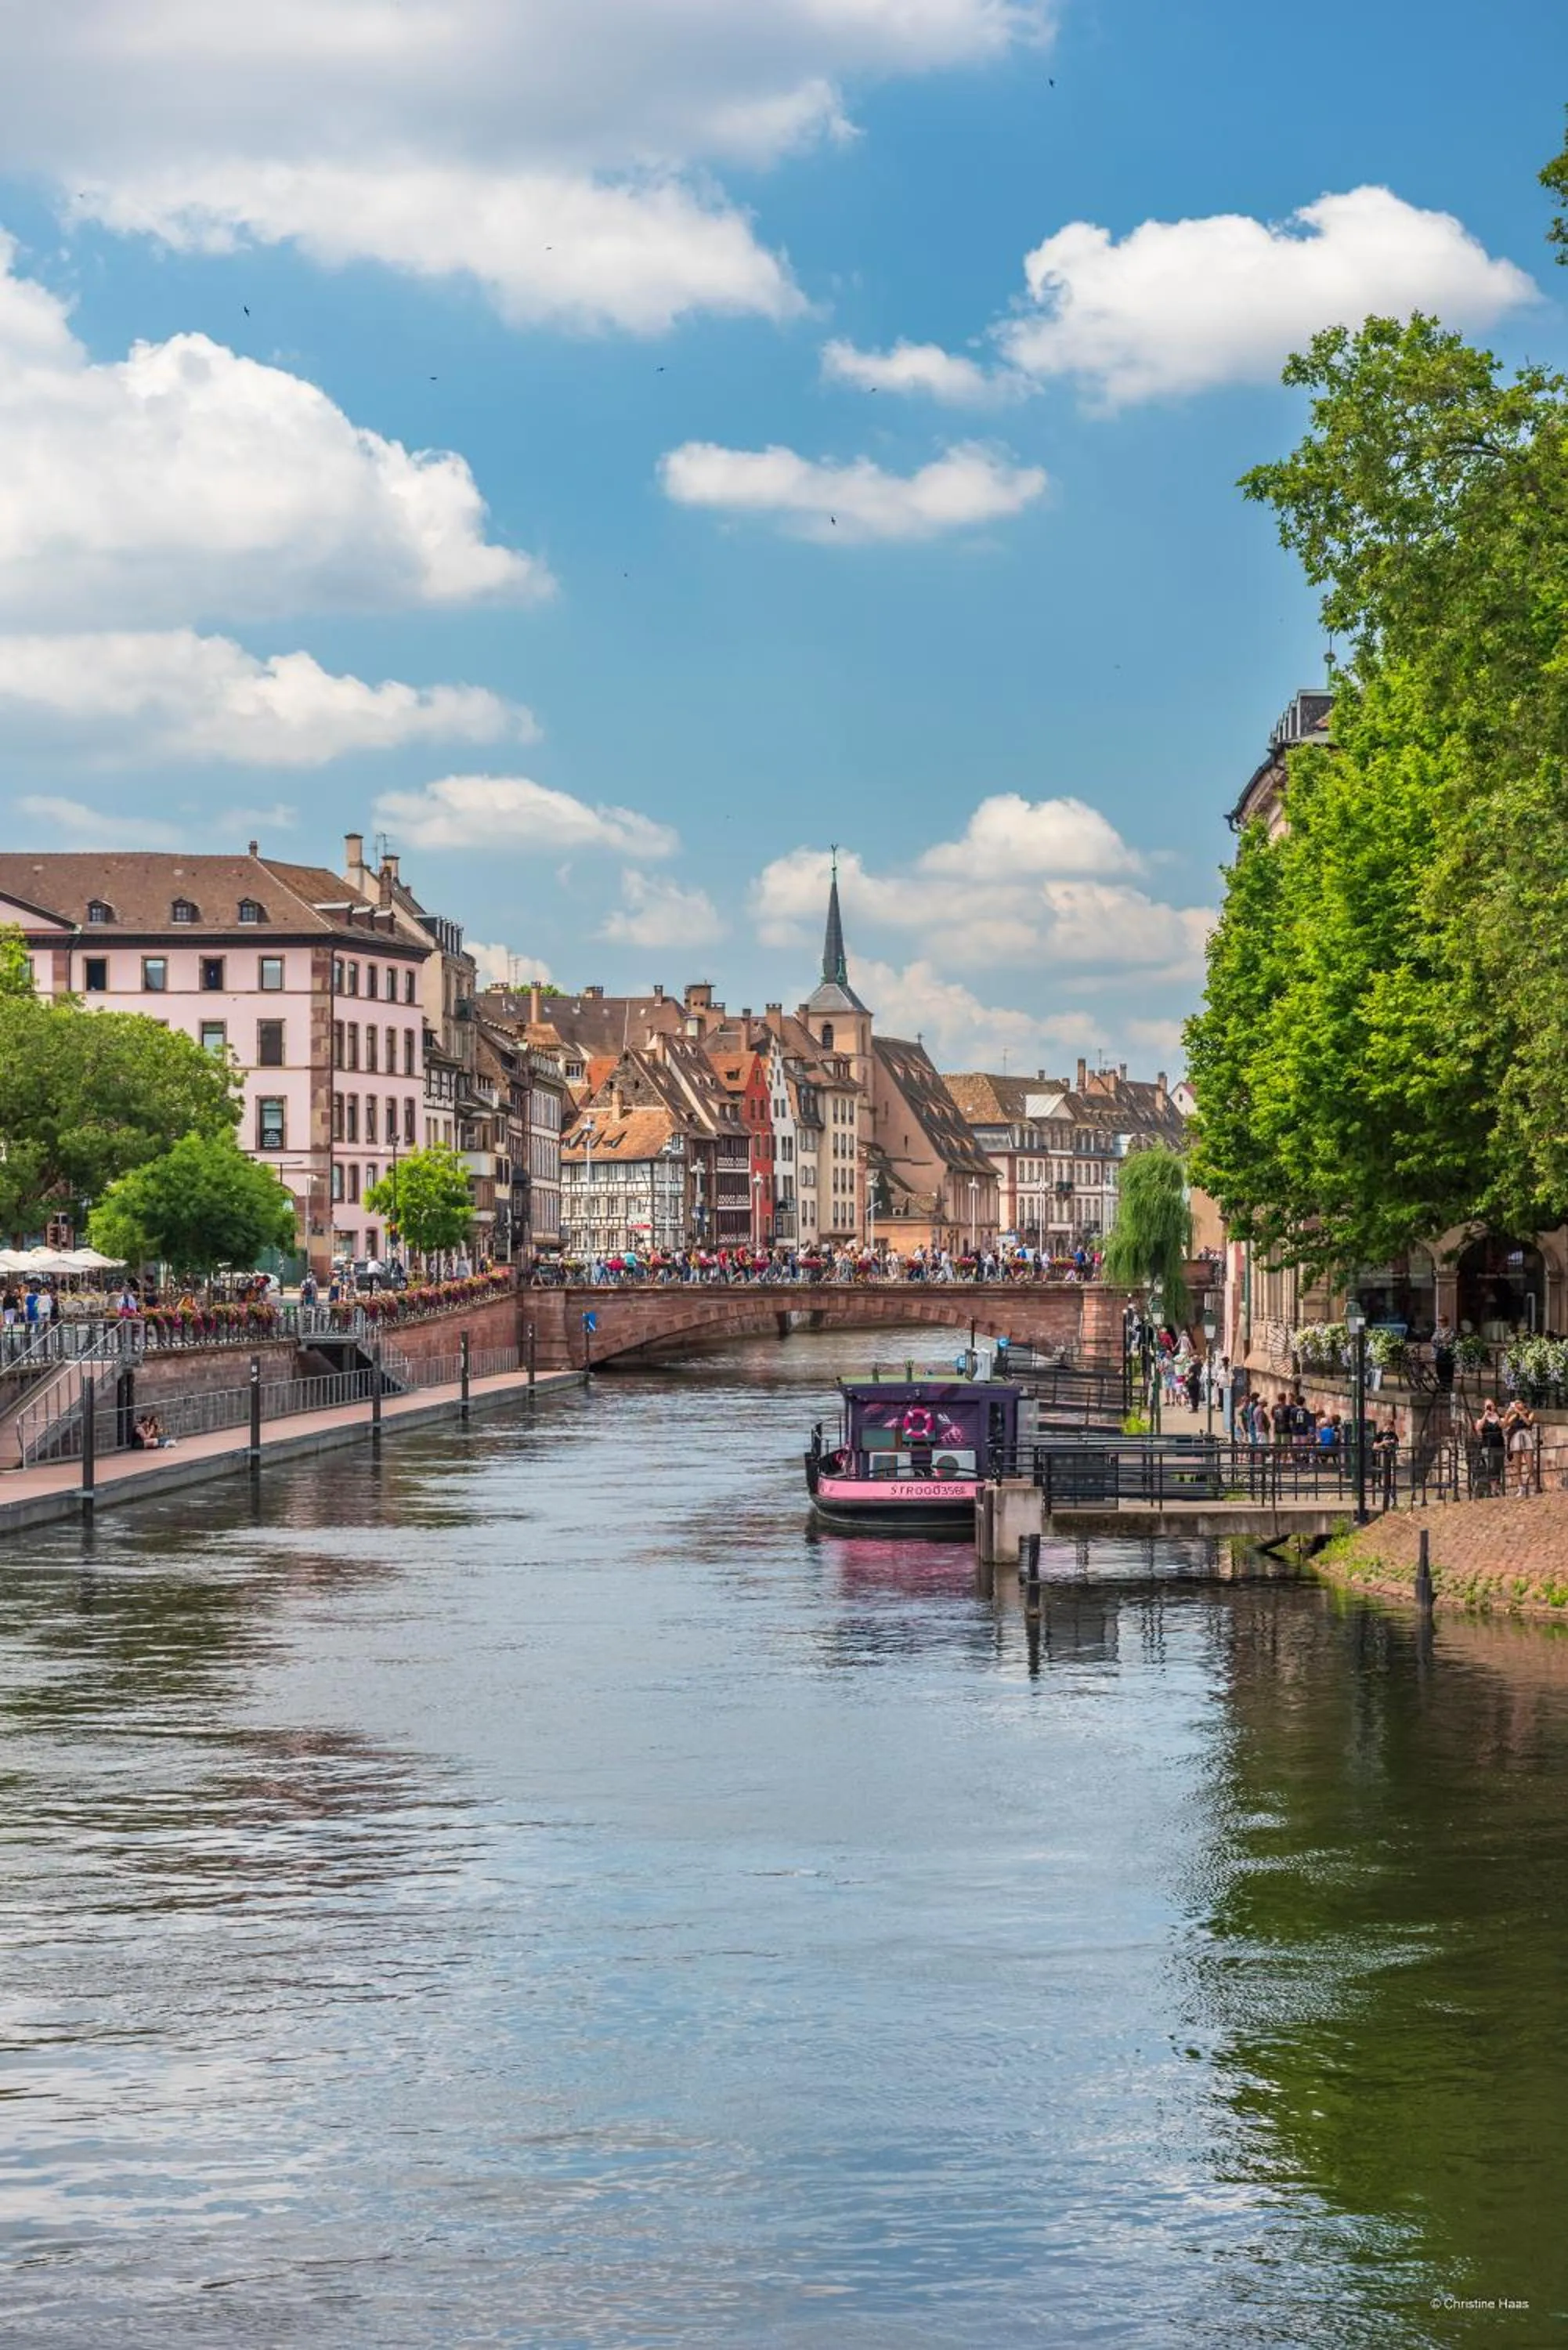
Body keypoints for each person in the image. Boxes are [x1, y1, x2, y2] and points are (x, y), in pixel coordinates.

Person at [1503, 1399, 1536, 1499]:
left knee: (1530, 1465)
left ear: (1523, 1404)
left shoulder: (1530, 1412)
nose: (1517, 1405)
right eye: (1515, 1403)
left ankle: (1532, 1485)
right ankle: (1520, 1487)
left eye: (1519, 1403)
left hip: (1526, 1436)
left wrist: (1520, 1413)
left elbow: (1528, 1423)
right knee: (1518, 1465)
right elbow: (1505, 1425)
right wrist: (1508, 1414)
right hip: (1516, 1438)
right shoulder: (1514, 1415)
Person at [1474, 1400, 1506, 1497]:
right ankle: (1493, 1489)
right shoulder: (1481, 1418)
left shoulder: (1499, 1417)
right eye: (1488, 1406)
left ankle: (1495, 1488)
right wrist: (1485, 1415)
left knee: (1498, 1466)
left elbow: (1503, 1426)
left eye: (1491, 1405)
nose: (1490, 1407)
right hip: (1487, 1446)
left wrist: (1496, 1417)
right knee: (1491, 1466)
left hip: (1499, 1445)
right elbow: (1478, 1428)